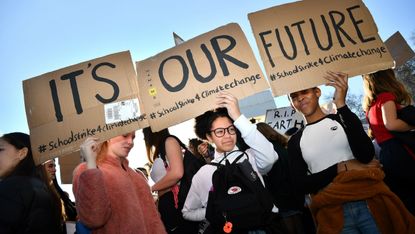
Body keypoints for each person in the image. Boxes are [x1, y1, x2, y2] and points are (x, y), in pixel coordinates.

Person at [288, 71, 415, 233]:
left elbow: (366, 155)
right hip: (332, 212)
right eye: (293, 96)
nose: (300, 98)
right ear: (292, 104)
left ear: (317, 92)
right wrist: (342, 167)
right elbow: (301, 185)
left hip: (368, 201)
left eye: (304, 92)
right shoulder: (294, 142)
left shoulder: (342, 118)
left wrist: (341, 103)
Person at [182, 91, 279, 233]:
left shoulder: (251, 157)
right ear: (209, 137)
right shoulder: (203, 174)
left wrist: (237, 116)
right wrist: (215, 211)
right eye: (220, 132)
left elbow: (271, 157)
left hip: (262, 228)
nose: (227, 136)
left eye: (231, 129)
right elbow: (187, 212)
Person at [72, 132, 166, 234]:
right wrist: (91, 165)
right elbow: (94, 219)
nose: (131, 142)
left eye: (133, 138)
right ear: (106, 135)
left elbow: (153, 220)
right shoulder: (86, 170)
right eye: (125, 135)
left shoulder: (138, 176)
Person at [362, 68, 415, 214]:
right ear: (387, 78)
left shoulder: (370, 107)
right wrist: (411, 125)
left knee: (406, 197)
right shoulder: (386, 97)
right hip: (400, 151)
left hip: (386, 154)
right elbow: (391, 124)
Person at [0, 132, 61, 234]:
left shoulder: (11, 188)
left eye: (0, 149)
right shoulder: (41, 188)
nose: (54, 169)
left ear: (22, 153)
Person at [257, 122, 307, 234]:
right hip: (294, 195)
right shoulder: (282, 146)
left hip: (282, 198)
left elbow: (277, 176)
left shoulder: (268, 152)